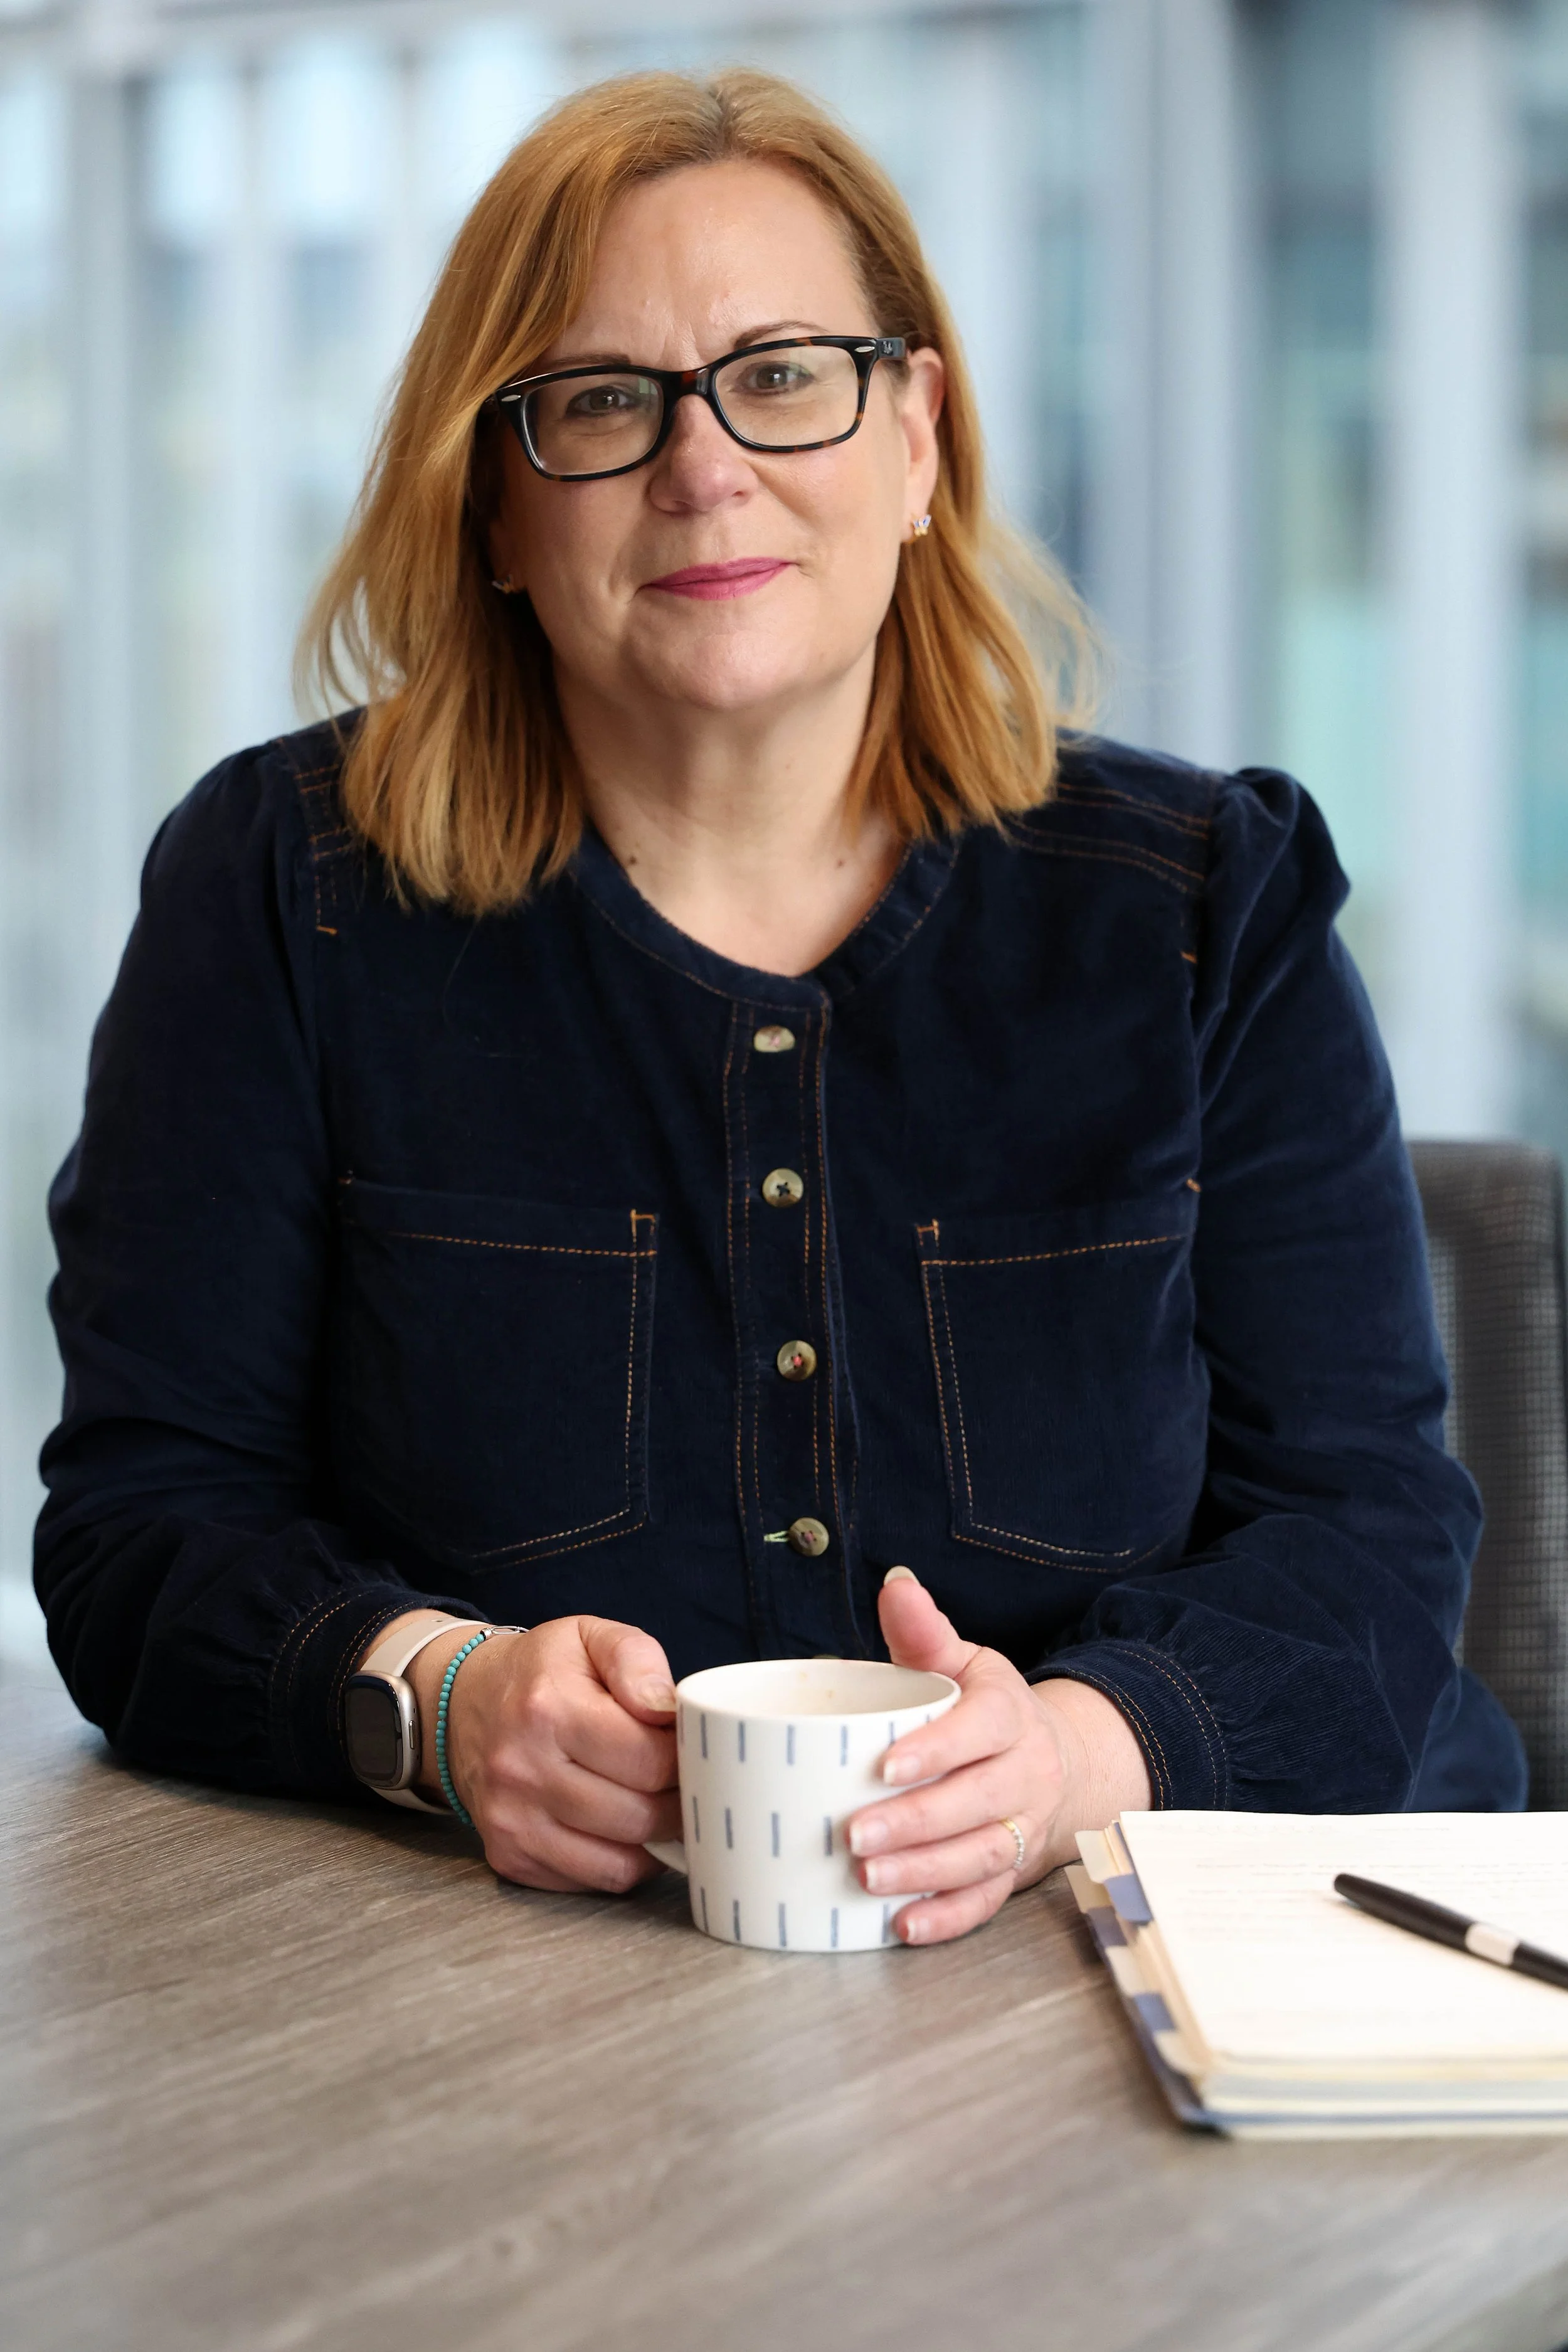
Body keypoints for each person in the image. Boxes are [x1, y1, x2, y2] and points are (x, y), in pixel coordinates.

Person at [36, 66, 1525, 1951]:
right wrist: (433, 1699)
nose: (702, 464)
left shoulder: (1204, 901)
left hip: (1189, 1948)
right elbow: (142, 1525)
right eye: (598, 400)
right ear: (494, 507)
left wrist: (1081, 1747)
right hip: (516, 2007)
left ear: (915, 438)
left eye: (785, 372)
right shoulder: (280, 891)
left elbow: (1369, 1540)